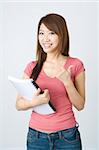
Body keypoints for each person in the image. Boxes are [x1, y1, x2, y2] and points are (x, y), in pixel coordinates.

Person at [16, 13, 85, 150]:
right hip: (36, 138)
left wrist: (67, 82)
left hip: (67, 137)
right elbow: (18, 104)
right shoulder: (32, 67)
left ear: (62, 35)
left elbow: (80, 105)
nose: (45, 38)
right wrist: (35, 102)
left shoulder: (75, 65)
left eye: (51, 33)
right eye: (41, 33)